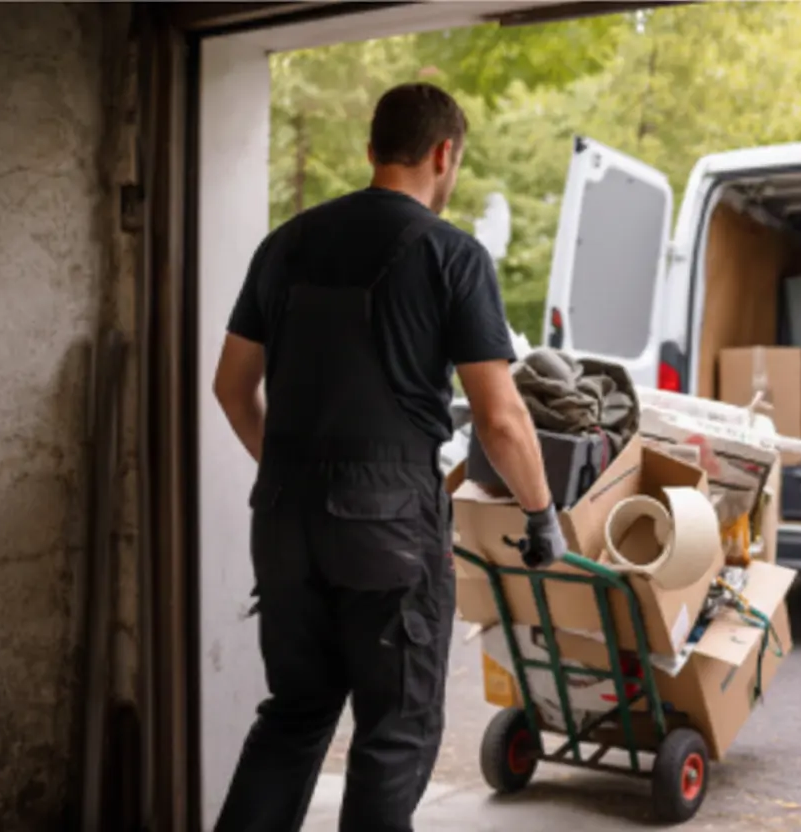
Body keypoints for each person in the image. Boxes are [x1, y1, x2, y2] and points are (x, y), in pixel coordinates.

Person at [210, 82, 566, 832]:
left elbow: (232, 388)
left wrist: (289, 474)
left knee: (294, 715)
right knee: (393, 735)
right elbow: (502, 419)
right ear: (445, 155)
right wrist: (542, 514)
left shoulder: (283, 245)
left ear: (372, 151)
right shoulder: (452, 256)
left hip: (282, 522)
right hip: (389, 531)